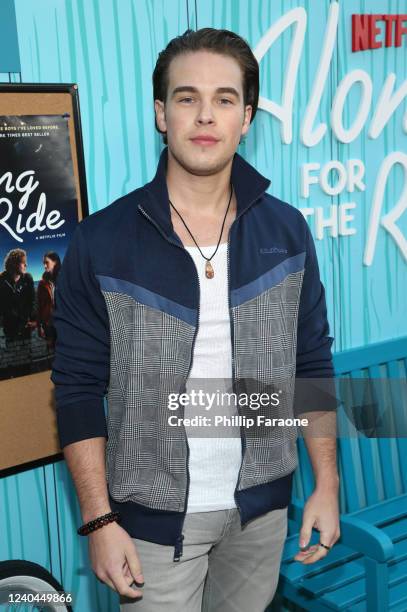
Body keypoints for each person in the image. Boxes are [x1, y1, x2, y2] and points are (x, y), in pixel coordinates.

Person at [51, 28, 340, 612]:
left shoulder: (287, 233)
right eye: (186, 98)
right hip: (148, 526)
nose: (205, 115)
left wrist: (327, 486)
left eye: (224, 99)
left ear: (247, 116)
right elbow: (76, 389)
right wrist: (99, 519)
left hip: (261, 513)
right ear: (162, 114)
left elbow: (310, 364)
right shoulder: (101, 241)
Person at [37, 251, 61, 351]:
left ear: (55, 262)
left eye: (47, 262)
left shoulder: (65, 278)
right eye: (43, 263)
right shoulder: (42, 283)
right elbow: (39, 305)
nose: (44, 266)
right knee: (52, 351)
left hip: (64, 322)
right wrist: (40, 326)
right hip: (49, 324)